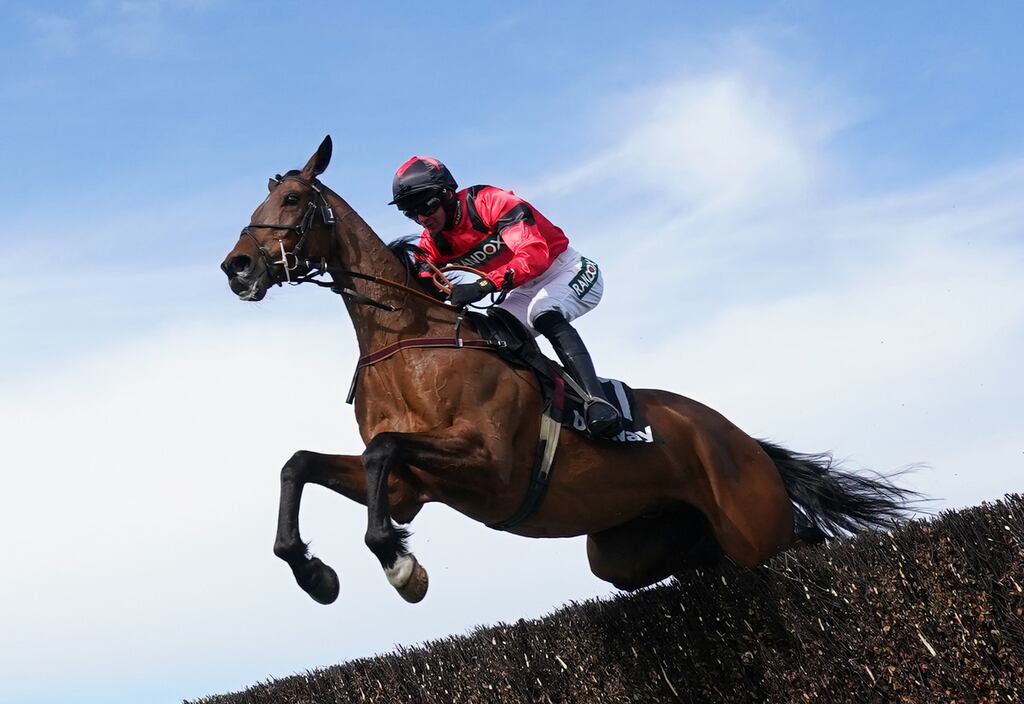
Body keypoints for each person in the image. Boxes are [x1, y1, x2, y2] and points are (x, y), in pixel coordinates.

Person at [389, 155, 623, 439]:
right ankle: (544, 399)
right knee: (490, 335)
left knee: (544, 313)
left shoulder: (491, 202)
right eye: (411, 213)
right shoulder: (433, 240)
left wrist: (485, 284)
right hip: (522, 288)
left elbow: (534, 254)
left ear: (448, 194)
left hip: (566, 269)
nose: (422, 218)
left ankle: (597, 401)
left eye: (426, 205)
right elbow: (422, 281)